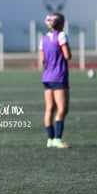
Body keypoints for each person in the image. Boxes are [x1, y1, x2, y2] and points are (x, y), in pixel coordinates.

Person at [39, 13, 72, 149]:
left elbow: (42, 60)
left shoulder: (44, 38)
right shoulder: (62, 35)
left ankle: (50, 139)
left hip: (47, 77)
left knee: (49, 109)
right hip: (59, 77)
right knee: (62, 109)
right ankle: (57, 138)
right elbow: (67, 55)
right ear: (61, 24)